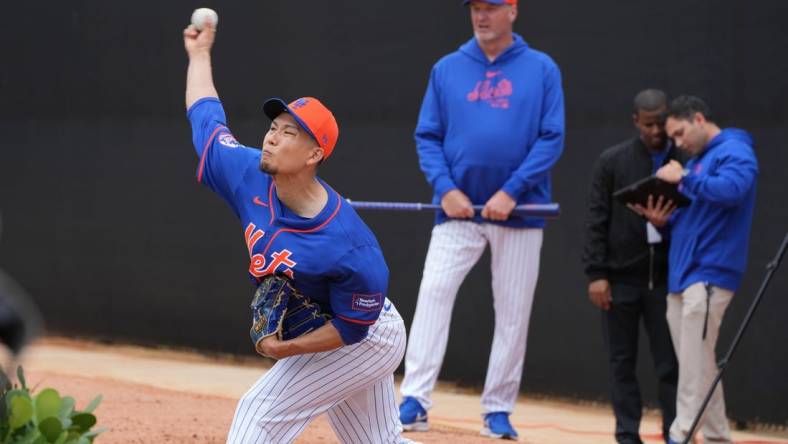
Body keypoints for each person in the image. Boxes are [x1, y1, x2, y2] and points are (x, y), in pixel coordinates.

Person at [183, 20, 418, 444]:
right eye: (274, 126)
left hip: (365, 335)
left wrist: (284, 350)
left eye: (289, 132)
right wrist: (200, 54)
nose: (272, 137)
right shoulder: (247, 173)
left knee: (259, 414)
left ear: (314, 154)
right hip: (343, 327)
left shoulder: (350, 244)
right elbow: (205, 117)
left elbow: (352, 329)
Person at [398, 0, 565, 439]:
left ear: (512, 11)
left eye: (491, 7)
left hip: (521, 211)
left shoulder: (542, 68)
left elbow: (551, 138)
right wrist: (446, 188)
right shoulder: (447, 68)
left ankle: (498, 409)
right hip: (456, 209)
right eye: (475, 7)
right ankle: (414, 399)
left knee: (513, 314)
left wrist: (512, 191)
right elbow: (427, 136)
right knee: (433, 293)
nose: (481, 15)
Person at [633, 96, 758, 444]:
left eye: (679, 133)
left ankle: (682, 433)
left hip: (709, 273)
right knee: (699, 362)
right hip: (685, 274)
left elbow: (734, 189)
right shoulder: (700, 161)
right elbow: (696, 215)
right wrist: (663, 221)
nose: (677, 143)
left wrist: (683, 177)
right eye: (673, 138)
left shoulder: (734, 149)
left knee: (693, 363)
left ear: (700, 119)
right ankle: (718, 436)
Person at [582, 89, 681, 444]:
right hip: (621, 278)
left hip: (668, 279)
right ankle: (627, 435)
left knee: (670, 364)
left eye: (661, 123)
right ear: (636, 121)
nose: (656, 131)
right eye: (648, 124)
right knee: (621, 363)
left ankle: (676, 433)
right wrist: (597, 274)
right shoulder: (613, 161)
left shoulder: (683, 158)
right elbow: (596, 218)